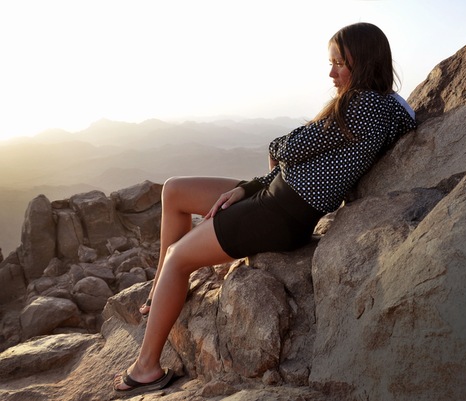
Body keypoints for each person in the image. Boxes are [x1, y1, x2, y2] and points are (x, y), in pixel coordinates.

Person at [113, 21, 417, 396]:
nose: (331, 73)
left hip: (280, 214)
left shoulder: (364, 105)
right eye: (331, 63)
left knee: (179, 257)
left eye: (340, 63)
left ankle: (146, 368)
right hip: (273, 195)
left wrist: (275, 153)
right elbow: (296, 160)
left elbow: (285, 148)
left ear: (366, 61)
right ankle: (159, 290)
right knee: (174, 191)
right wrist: (247, 188)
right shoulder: (383, 105)